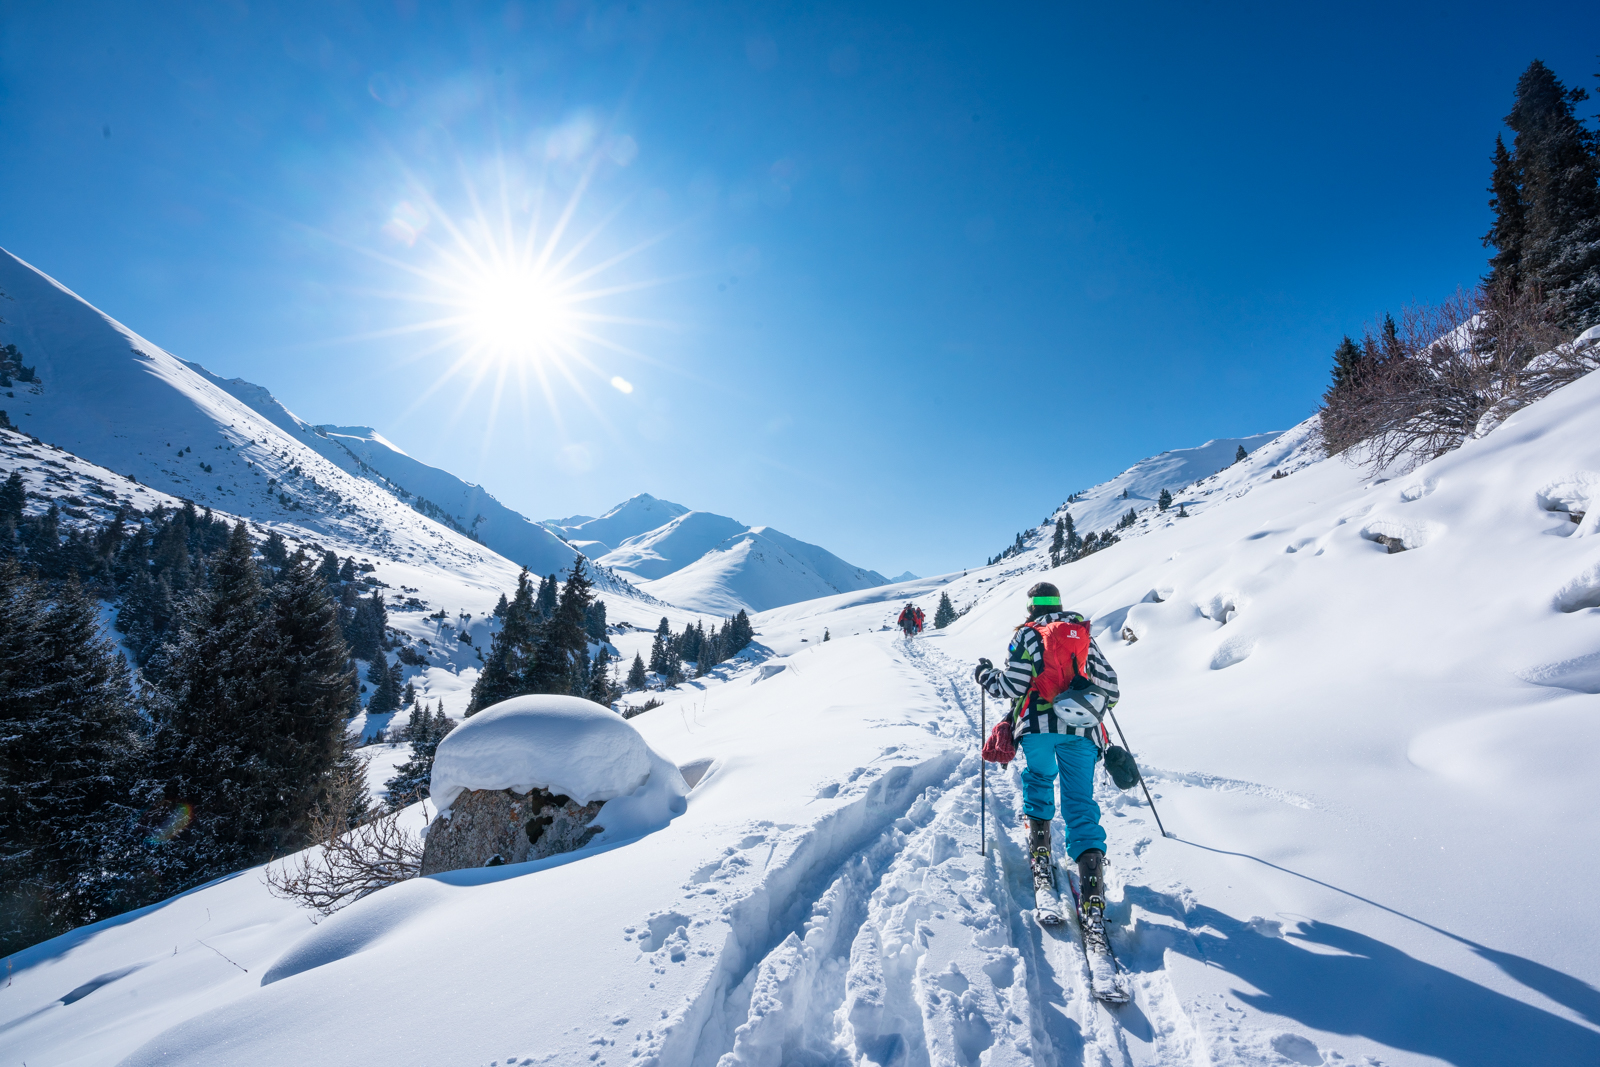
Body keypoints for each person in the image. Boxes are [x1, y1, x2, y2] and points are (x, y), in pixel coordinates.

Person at [973, 581, 1120, 928]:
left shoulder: (1026, 636)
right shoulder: (1081, 634)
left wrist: (984, 675)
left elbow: (1010, 686)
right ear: (1058, 604)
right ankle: (1093, 893)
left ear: (1031, 608)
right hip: (1083, 732)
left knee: (1039, 780)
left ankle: (1040, 856)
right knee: (1080, 804)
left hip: (1037, 728)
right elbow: (1111, 690)